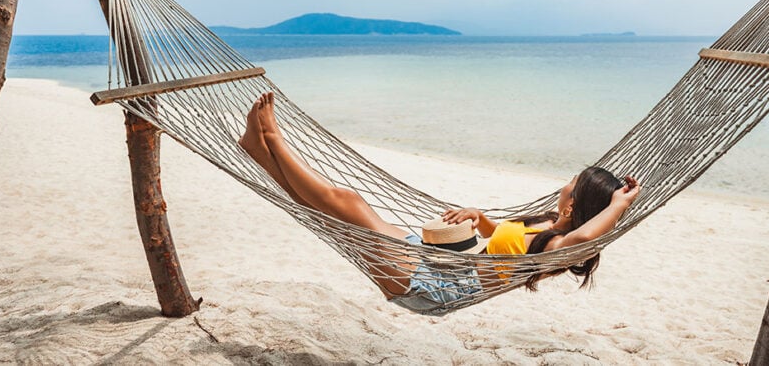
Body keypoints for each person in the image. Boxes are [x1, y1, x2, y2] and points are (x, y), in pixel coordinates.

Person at [239, 92, 640, 302]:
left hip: (433, 286)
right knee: (337, 212)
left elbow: (585, 239)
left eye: (571, 182)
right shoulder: (545, 226)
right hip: (436, 262)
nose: (564, 182)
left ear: (573, 206)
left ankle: (273, 138)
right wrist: (480, 219)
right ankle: (260, 152)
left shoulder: (557, 245)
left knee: (346, 202)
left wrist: (620, 205)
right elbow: (506, 243)